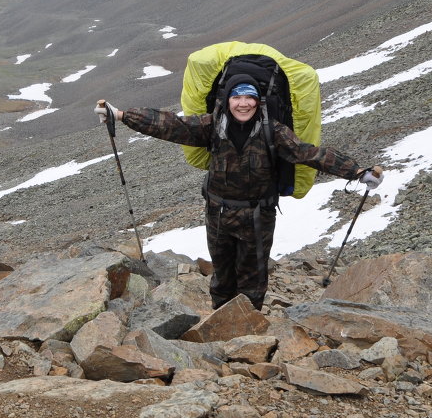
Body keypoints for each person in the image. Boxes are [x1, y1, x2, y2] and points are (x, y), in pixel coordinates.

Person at [96, 75, 383, 311]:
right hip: (218, 213)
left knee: (253, 278)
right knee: (222, 276)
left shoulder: (275, 131)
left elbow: (310, 153)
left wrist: (357, 171)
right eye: (237, 97)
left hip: (258, 216)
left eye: (250, 97)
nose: (243, 103)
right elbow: (171, 124)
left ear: (258, 101)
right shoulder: (211, 126)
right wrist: (121, 115)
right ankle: (222, 322)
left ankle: (248, 329)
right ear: (227, 100)